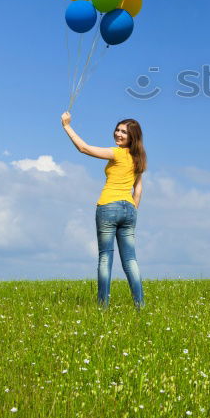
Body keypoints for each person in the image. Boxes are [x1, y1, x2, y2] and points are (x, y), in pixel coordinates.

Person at [61, 111, 147, 309]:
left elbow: (83, 148)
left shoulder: (116, 153)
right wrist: (133, 208)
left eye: (124, 132)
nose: (118, 134)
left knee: (105, 256)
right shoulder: (138, 158)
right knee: (130, 259)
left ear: (132, 136)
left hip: (108, 206)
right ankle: (140, 305)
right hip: (129, 209)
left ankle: (103, 306)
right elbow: (139, 187)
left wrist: (67, 126)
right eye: (117, 130)